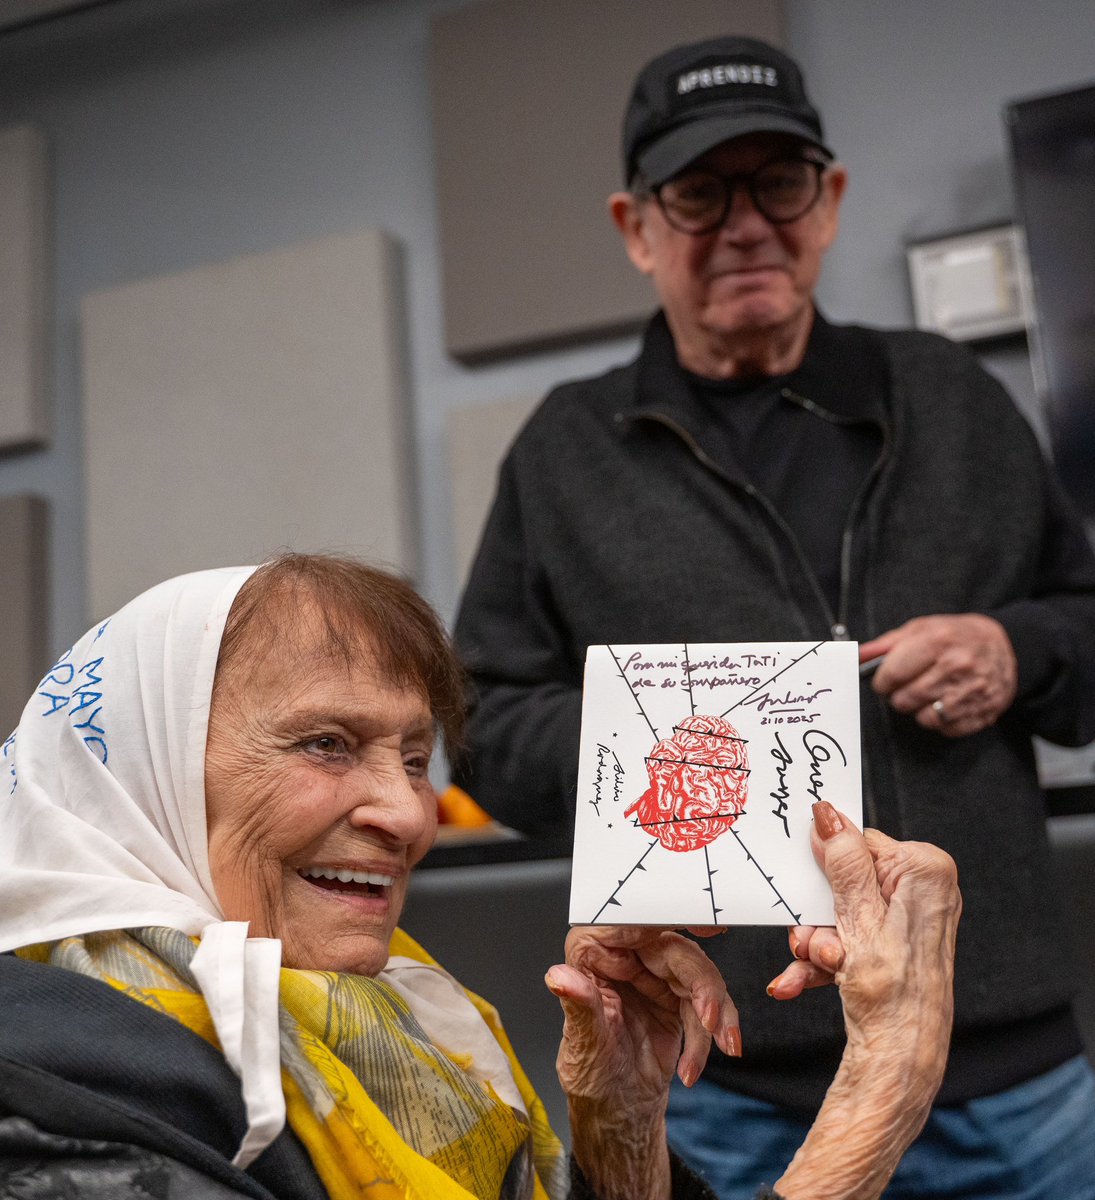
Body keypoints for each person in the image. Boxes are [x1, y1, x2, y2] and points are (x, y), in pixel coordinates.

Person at [452, 33, 1095, 1200]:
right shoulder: (563, 451)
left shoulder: (955, 396)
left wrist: (1022, 648)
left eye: (779, 183)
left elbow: (1085, 628)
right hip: (737, 1088)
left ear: (831, 202)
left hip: (1015, 1073)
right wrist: (666, 740)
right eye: (700, 192)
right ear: (635, 227)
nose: (745, 224)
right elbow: (485, 724)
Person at [0, 552, 960, 1199]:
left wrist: (616, 1128)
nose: (408, 813)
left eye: (416, 759)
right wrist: (883, 1091)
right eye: (326, 744)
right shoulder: (59, 1104)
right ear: (139, 773)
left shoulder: (394, 1016)